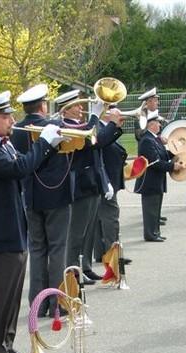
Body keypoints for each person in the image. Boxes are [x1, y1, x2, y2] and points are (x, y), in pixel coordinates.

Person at [0, 90, 65, 353]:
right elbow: (19, 168)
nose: (12, 119)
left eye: (10, 114)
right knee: (0, 299)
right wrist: (44, 142)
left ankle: (6, 347)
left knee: (12, 298)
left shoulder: (3, 144)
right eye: (5, 115)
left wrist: (51, 146)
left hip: (14, 230)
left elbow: (27, 164)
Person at [10, 84, 72, 318]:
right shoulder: (52, 126)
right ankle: (57, 302)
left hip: (31, 196)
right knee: (57, 249)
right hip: (55, 196)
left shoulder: (16, 129)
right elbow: (85, 135)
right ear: (43, 106)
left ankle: (37, 303)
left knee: (37, 250)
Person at [56, 90, 124, 282]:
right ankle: (72, 273)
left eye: (80, 105)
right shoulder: (66, 126)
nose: (80, 108)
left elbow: (99, 144)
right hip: (80, 185)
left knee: (88, 231)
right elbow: (93, 140)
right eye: (76, 106)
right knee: (77, 233)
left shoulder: (79, 125)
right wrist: (99, 117)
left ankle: (84, 267)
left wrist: (115, 127)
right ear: (66, 110)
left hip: (92, 183)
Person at [134, 111, 183, 242]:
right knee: (150, 209)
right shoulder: (146, 141)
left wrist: (175, 152)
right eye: (158, 123)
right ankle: (150, 234)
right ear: (151, 125)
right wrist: (173, 167)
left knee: (156, 209)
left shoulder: (154, 138)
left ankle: (155, 232)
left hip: (157, 180)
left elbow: (163, 155)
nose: (160, 126)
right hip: (149, 181)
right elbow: (154, 162)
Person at [94, 107, 130, 263]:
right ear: (107, 115)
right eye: (116, 113)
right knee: (111, 218)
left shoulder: (106, 129)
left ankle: (104, 253)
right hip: (105, 180)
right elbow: (104, 145)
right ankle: (112, 254)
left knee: (102, 218)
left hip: (109, 179)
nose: (119, 115)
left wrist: (116, 127)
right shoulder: (100, 129)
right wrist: (114, 127)